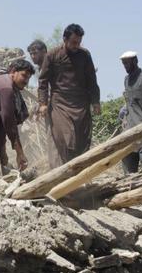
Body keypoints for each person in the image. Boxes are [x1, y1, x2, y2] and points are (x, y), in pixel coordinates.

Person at [38, 24, 101, 168]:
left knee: (82, 140)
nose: (76, 46)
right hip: (60, 104)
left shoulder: (85, 55)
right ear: (64, 39)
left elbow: (92, 79)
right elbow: (43, 81)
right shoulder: (52, 55)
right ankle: (64, 172)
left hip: (81, 104)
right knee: (66, 138)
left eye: (79, 43)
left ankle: (79, 173)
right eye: (73, 42)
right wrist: (43, 103)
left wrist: (95, 101)